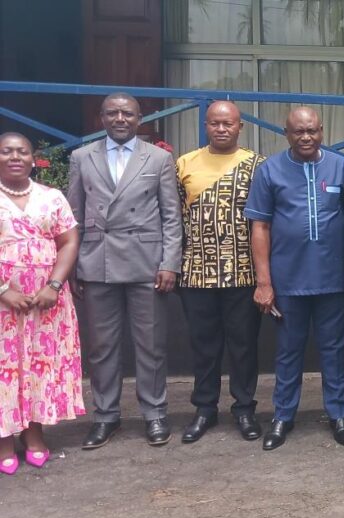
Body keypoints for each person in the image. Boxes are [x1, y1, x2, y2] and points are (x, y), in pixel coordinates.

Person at [67, 92, 182, 449]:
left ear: (139, 119)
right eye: (112, 113)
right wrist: (72, 268)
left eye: (127, 114)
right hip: (97, 262)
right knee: (102, 347)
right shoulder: (81, 157)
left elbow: (171, 216)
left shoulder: (159, 158)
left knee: (150, 345)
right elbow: (73, 217)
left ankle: (155, 413)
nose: (120, 119)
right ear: (101, 117)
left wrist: (169, 263)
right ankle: (105, 416)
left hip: (146, 263)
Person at [244, 106, 344, 451]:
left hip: (334, 276)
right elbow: (259, 226)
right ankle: (283, 415)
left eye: (313, 131)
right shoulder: (270, 170)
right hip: (288, 278)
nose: (306, 137)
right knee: (288, 351)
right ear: (286, 133)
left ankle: (338, 414)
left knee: (334, 349)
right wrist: (264, 282)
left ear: (322, 131)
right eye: (298, 132)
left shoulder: (342, 167)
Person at [175, 101, 265, 444]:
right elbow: (174, 220)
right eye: (215, 123)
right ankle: (204, 409)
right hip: (197, 272)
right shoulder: (184, 164)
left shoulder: (257, 165)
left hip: (243, 273)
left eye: (228, 123)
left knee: (243, 346)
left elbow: (264, 223)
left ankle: (244, 408)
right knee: (204, 346)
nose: (221, 129)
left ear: (240, 126)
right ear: (206, 125)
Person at [0, 132, 84, 475]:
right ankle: (4, 437)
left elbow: (68, 241)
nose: (14, 157)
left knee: (38, 364)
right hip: (4, 302)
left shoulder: (52, 197)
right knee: (4, 369)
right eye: (6, 151)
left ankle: (34, 432)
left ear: (34, 159)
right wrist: (4, 290)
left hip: (46, 302)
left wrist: (53, 285)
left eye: (22, 151)